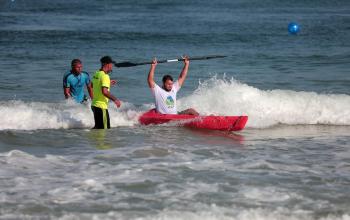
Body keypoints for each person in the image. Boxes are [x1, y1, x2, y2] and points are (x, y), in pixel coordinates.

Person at [91, 56, 122, 129]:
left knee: (97, 128)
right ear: (107, 64)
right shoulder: (105, 76)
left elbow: (93, 85)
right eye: (111, 64)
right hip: (101, 107)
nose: (112, 66)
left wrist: (108, 83)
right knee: (104, 130)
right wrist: (115, 99)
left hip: (94, 105)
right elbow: (105, 92)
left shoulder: (97, 73)